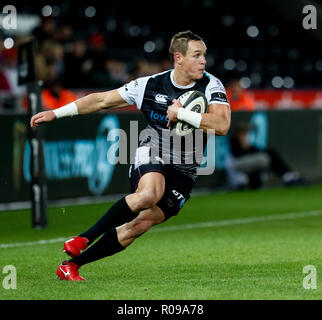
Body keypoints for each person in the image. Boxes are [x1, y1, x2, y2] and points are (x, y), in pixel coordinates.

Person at [30, 30, 231, 281]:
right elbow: (102, 100)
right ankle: (84, 237)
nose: (203, 61)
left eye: (204, 55)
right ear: (178, 58)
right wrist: (56, 113)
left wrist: (181, 114)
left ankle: (71, 265)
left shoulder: (211, 85)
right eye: (197, 55)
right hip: (153, 151)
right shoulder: (149, 84)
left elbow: (222, 126)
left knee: (139, 225)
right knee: (149, 194)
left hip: (185, 170)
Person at [226, 122, 302, 189]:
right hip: (236, 166)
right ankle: (287, 175)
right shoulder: (233, 141)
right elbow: (238, 155)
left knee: (269, 154)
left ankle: (288, 175)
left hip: (247, 165)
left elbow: (255, 150)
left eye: (245, 132)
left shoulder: (245, 142)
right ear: (238, 133)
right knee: (264, 159)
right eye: (242, 132)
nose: (244, 134)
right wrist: (245, 146)